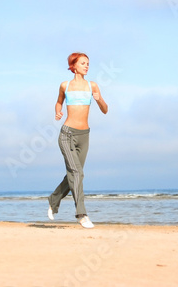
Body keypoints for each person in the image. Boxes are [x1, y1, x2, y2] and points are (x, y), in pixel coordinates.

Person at [47, 52, 108, 228]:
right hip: (67, 134)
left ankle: (54, 199)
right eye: (83, 63)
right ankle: (82, 214)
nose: (87, 66)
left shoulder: (93, 86)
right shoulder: (65, 85)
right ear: (73, 65)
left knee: (74, 174)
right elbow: (59, 102)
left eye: (88, 63)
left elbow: (105, 109)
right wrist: (57, 112)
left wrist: (99, 100)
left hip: (84, 136)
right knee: (78, 173)